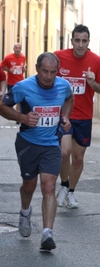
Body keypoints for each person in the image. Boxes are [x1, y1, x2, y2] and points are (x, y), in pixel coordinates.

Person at [0, 52, 74, 250]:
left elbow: (69, 98)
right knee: (29, 186)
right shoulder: (23, 87)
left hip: (51, 144)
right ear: (36, 68)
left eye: (52, 72)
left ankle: (47, 233)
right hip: (28, 144)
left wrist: (65, 117)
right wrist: (22, 117)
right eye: (44, 71)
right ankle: (25, 212)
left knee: (49, 186)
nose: (49, 76)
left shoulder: (63, 85)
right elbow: (2, 106)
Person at [54, 24, 100, 209]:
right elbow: (46, 78)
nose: (80, 44)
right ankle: (62, 185)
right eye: (77, 40)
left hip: (84, 116)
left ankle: (70, 191)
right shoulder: (59, 57)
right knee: (64, 152)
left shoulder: (96, 61)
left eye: (84, 41)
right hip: (64, 115)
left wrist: (92, 83)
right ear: (71, 41)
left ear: (88, 42)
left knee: (77, 158)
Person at [1, 43, 27, 117]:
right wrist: (9, 70)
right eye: (16, 48)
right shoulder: (8, 57)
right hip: (11, 82)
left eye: (19, 48)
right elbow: (2, 66)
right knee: (10, 100)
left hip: (20, 82)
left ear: (21, 49)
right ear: (14, 49)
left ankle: (18, 114)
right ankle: (10, 114)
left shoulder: (23, 57)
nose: (18, 49)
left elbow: (23, 67)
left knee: (20, 99)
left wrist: (24, 69)